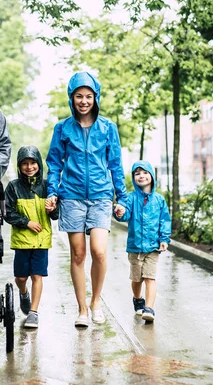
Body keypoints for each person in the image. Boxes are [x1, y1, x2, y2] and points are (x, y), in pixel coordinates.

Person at [45, 71, 127, 328]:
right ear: (72, 98)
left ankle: (96, 302)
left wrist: (121, 197)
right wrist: (52, 191)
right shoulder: (62, 128)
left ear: (95, 97)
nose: (83, 101)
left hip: (101, 196)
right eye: (79, 96)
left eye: (88, 96)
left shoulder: (108, 128)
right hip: (71, 197)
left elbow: (115, 164)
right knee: (78, 254)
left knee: (99, 251)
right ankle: (82, 309)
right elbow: (54, 163)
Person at [4, 145, 59, 329]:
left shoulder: (46, 186)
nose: (29, 167)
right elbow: (7, 212)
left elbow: (56, 215)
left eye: (33, 162)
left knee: (37, 275)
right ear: (19, 166)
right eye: (25, 163)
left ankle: (33, 313)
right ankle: (24, 293)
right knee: (20, 278)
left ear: (39, 164)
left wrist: (53, 209)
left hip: (42, 240)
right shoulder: (13, 187)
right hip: (21, 241)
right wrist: (26, 222)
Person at [114, 160, 172, 322]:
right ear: (133, 177)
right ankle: (137, 299)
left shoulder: (159, 200)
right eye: (137, 173)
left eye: (145, 172)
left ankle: (149, 308)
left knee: (150, 277)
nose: (141, 176)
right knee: (136, 279)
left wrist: (164, 238)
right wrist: (119, 211)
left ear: (152, 176)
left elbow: (164, 220)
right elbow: (125, 215)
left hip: (153, 247)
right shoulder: (131, 198)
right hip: (135, 247)